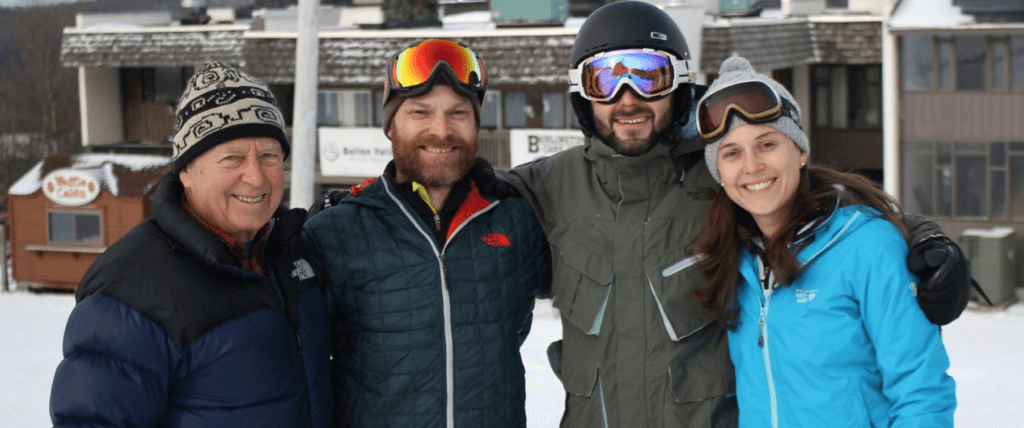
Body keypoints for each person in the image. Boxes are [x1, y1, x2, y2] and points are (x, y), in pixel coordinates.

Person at [496, 2, 971, 427]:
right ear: (583, 93)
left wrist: (926, 240)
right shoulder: (547, 187)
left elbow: (819, 199)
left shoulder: (719, 176)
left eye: (648, 75)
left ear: (679, 82)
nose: (627, 96)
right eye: (605, 79)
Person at [49, 62, 331, 428]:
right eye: (232, 158)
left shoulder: (289, 255)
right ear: (185, 172)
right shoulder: (132, 292)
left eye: (269, 156)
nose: (256, 176)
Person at [689, 56, 956, 426]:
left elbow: (922, 394)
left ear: (800, 152)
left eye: (767, 144)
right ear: (719, 173)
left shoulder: (866, 245)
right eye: (732, 153)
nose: (752, 166)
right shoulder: (735, 262)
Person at [301, 39, 551, 428]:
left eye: (458, 112)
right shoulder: (334, 232)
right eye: (420, 112)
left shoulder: (517, 219)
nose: (441, 130)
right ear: (390, 125)